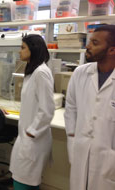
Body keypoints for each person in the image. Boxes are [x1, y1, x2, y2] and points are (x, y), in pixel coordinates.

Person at [64, 25, 115, 190]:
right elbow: (71, 107)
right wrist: (72, 137)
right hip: (81, 150)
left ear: (111, 50)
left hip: (108, 158)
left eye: (95, 42)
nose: (88, 46)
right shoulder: (80, 73)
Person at [9, 34, 55, 190]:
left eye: (22, 48)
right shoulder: (33, 71)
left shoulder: (41, 73)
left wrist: (31, 132)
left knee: (24, 180)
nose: (19, 51)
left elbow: (47, 109)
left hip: (33, 138)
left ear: (33, 50)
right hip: (27, 136)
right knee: (24, 178)